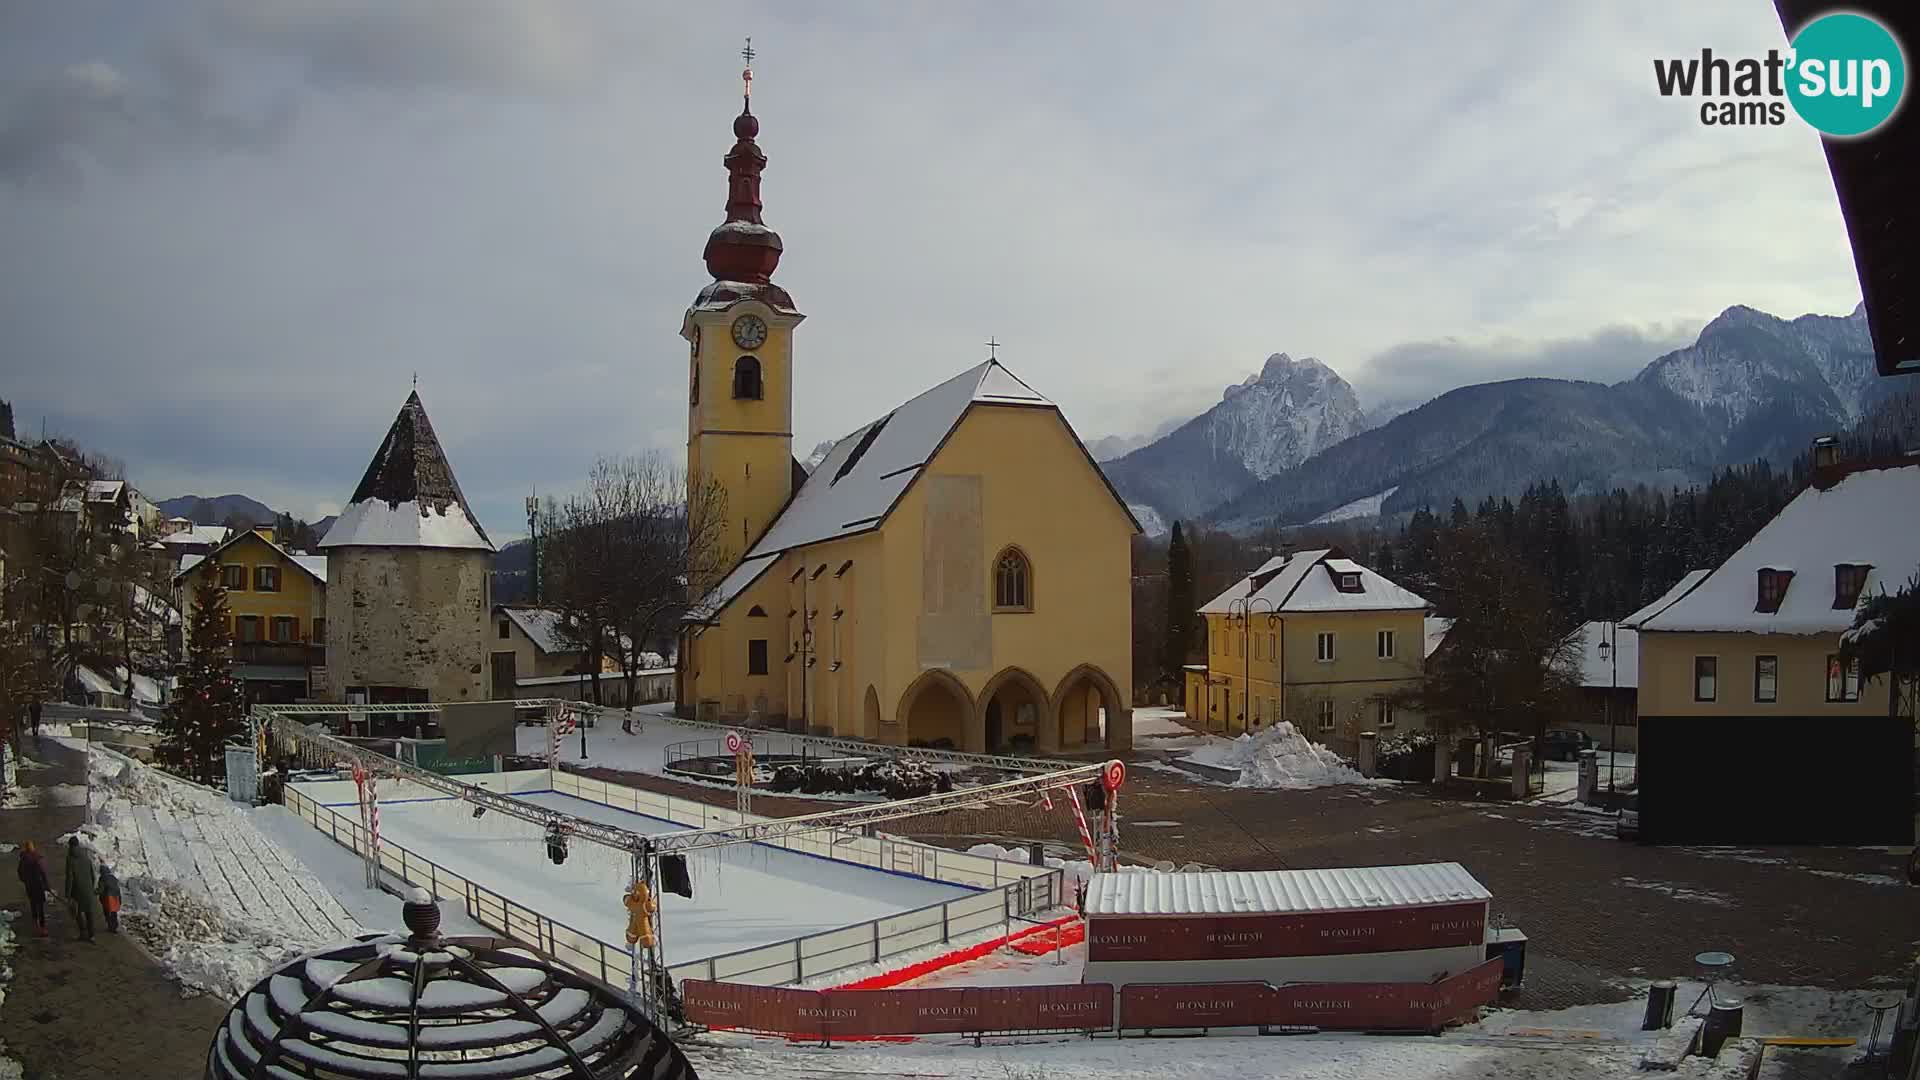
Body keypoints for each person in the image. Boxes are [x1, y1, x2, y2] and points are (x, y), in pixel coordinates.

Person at [63, 836, 97, 941]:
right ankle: (92, 935)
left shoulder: (70, 858)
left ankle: (83, 932)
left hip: (77, 891)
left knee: (77, 912)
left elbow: (70, 878)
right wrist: (91, 886)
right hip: (88, 889)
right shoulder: (86, 856)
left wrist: (67, 894)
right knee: (89, 913)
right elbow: (92, 874)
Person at [16, 840, 50, 937]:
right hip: (38, 885)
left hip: (29, 886)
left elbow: (20, 873)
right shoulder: (37, 858)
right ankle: (43, 928)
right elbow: (42, 872)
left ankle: (35, 926)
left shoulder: (23, 860)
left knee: (33, 905)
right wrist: (46, 884)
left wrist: (25, 881)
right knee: (41, 907)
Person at [96, 863, 123, 933]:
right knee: (114, 913)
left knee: (107, 912)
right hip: (115, 897)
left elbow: (101, 890)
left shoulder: (102, 878)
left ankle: (110, 927)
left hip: (107, 898)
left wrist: (95, 892)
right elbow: (118, 888)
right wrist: (120, 899)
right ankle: (115, 926)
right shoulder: (113, 878)